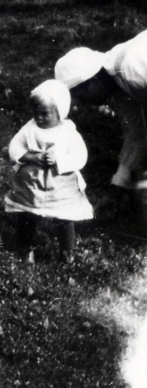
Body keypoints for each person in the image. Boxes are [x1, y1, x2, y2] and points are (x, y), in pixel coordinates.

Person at [55, 29, 147, 235]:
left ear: (92, 83)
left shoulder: (133, 70)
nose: (84, 104)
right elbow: (137, 135)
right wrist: (118, 187)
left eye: (80, 97)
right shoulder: (118, 88)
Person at [5, 79, 93, 262]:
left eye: (45, 114)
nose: (39, 117)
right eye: (36, 113)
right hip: (32, 185)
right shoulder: (29, 129)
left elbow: (80, 156)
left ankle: (67, 252)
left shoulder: (68, 132)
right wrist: (30, 157)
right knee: (27, 215)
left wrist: (59, 160)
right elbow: (14, 147)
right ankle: (25, 249)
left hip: (60, 186)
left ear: (59, 112)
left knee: (64, 218)